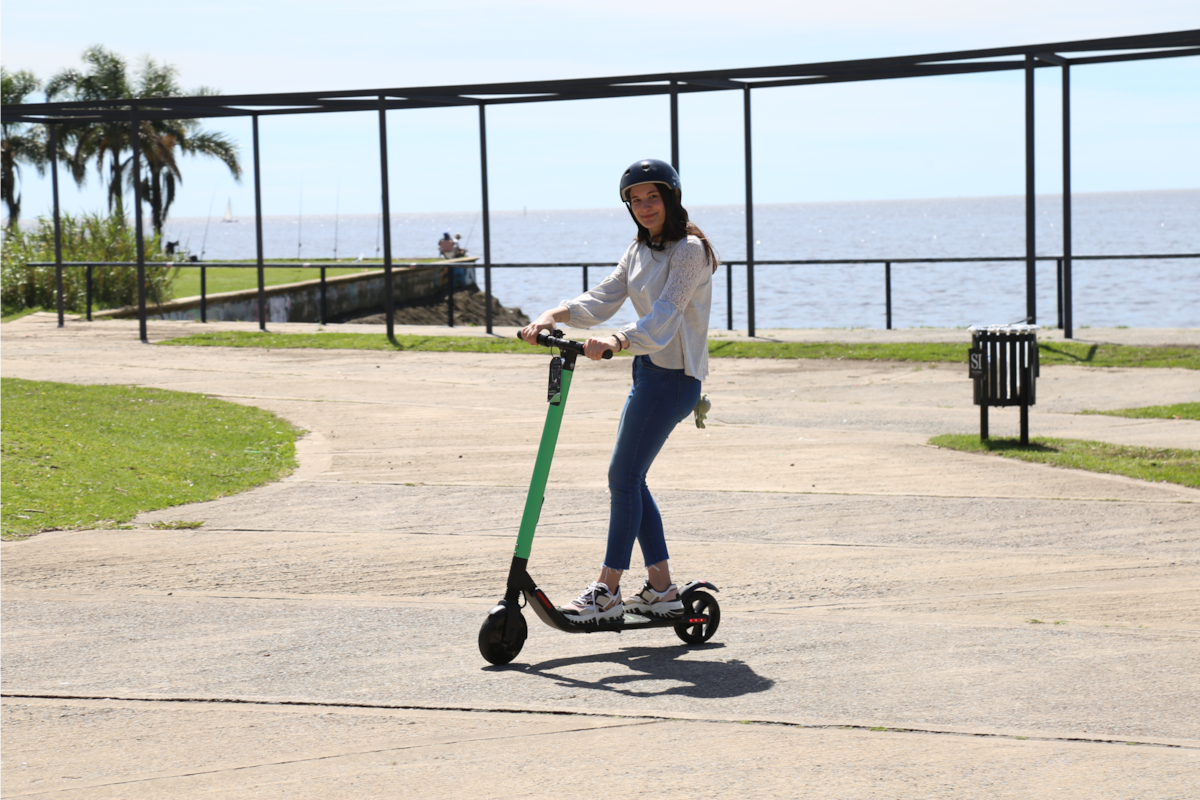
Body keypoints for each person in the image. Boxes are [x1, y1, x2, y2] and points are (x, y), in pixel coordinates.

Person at [520, 158, 719, 624]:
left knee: (623, 477)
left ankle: (608, 591)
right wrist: (556, 314)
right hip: (648, 373)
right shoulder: (638, 250)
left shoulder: (690, 251)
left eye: (653, 197)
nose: (645, 206)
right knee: (630, 477)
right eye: (635, 199)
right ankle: (662, 590)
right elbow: (606, 295)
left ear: (671, 197)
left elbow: (666, 314)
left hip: (674, 379)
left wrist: (618, 339)